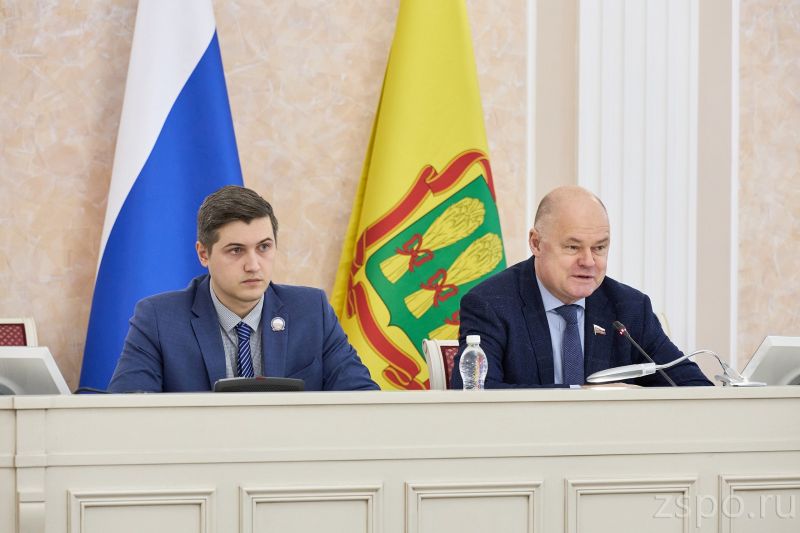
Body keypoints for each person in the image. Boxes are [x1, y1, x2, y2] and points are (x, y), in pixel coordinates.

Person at [108, 186, 378, 392]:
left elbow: (362, 400)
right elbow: (127, 412)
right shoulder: (158, 319)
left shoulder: (311, 311)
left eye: (264, 247)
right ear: (203, 254)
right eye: (236, 250)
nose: (253, 265)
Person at [451, 186, 712, 388]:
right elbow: (477, 395)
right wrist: (585, 396)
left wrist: (634, 399)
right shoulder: (491, 304)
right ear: (536, 243)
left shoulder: (629, 308)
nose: (588, 261)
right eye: (573, 247)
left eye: (599, 248)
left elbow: (694, 388)